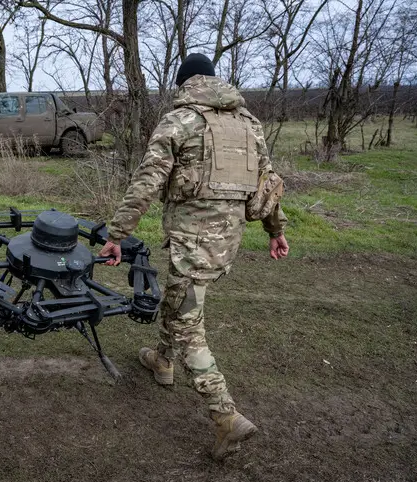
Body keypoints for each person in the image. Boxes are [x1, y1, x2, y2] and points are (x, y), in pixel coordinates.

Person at [99, 53, 289, 460]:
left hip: (192, 241)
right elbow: (268, 181)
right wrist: (276, 230)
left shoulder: (179, 121)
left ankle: (225, 414)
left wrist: (117, 234)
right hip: (228, 242)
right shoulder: (248, 123)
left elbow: (147, 180)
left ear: (183, 82)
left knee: (188, 323)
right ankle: (162, 362)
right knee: (181, 299)